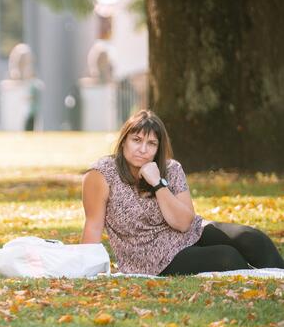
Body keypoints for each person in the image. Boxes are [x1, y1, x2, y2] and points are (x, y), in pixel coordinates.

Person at [81, 109, 284, 276]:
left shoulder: (171, 168)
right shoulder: (101, 174)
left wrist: (158, 183)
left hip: (186, 234)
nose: (143, 149)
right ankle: (263, 279)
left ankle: (278, 280)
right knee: (226, 257)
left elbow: (185, 223)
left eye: (151, 143)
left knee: (252, 238)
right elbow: (93, 225)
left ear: (158, 148)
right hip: (149, 256)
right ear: (124, 141)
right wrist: (84, 270)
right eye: (136, 140)